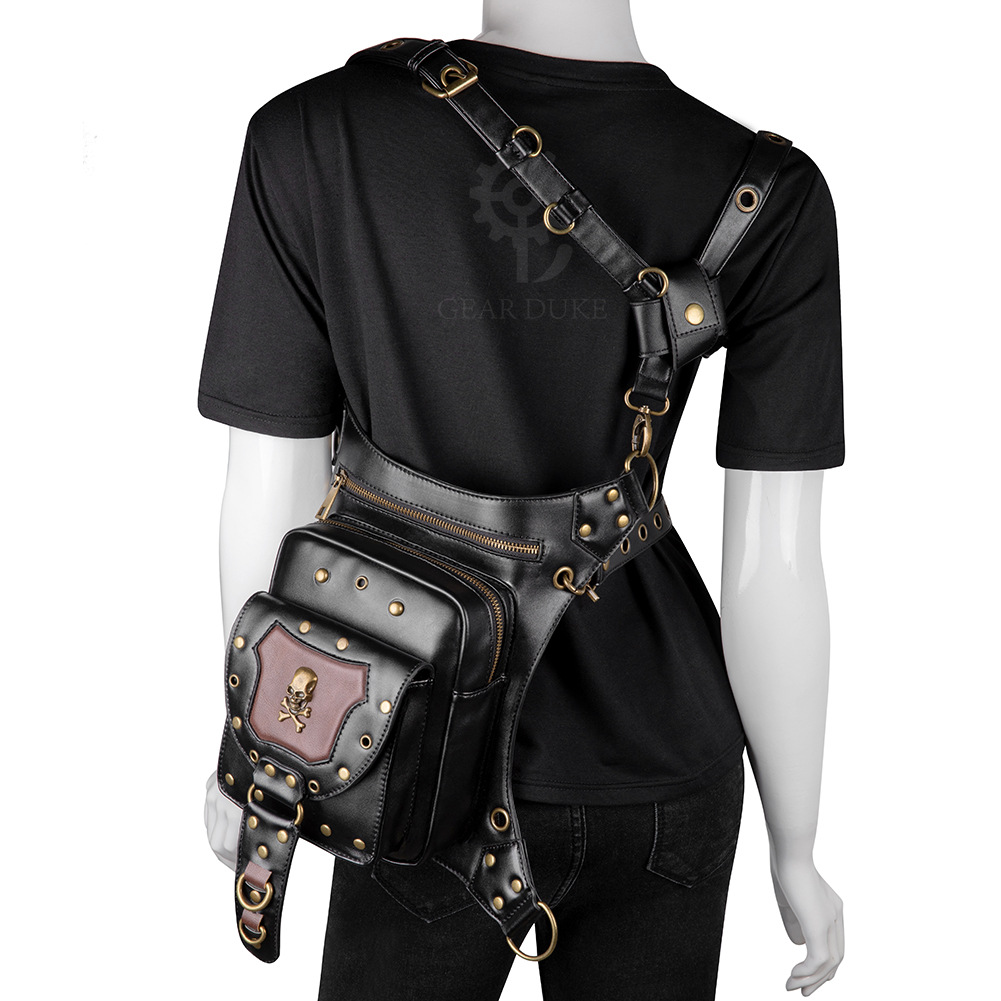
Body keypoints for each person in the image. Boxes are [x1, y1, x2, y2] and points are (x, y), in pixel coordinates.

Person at [199, 1, 846, 997]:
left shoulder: (313, 133)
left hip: (407, 731)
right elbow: (778, 561)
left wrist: (262, 750)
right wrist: (794, 839)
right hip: (664, 759)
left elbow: (270, 489)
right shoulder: (765, 192)